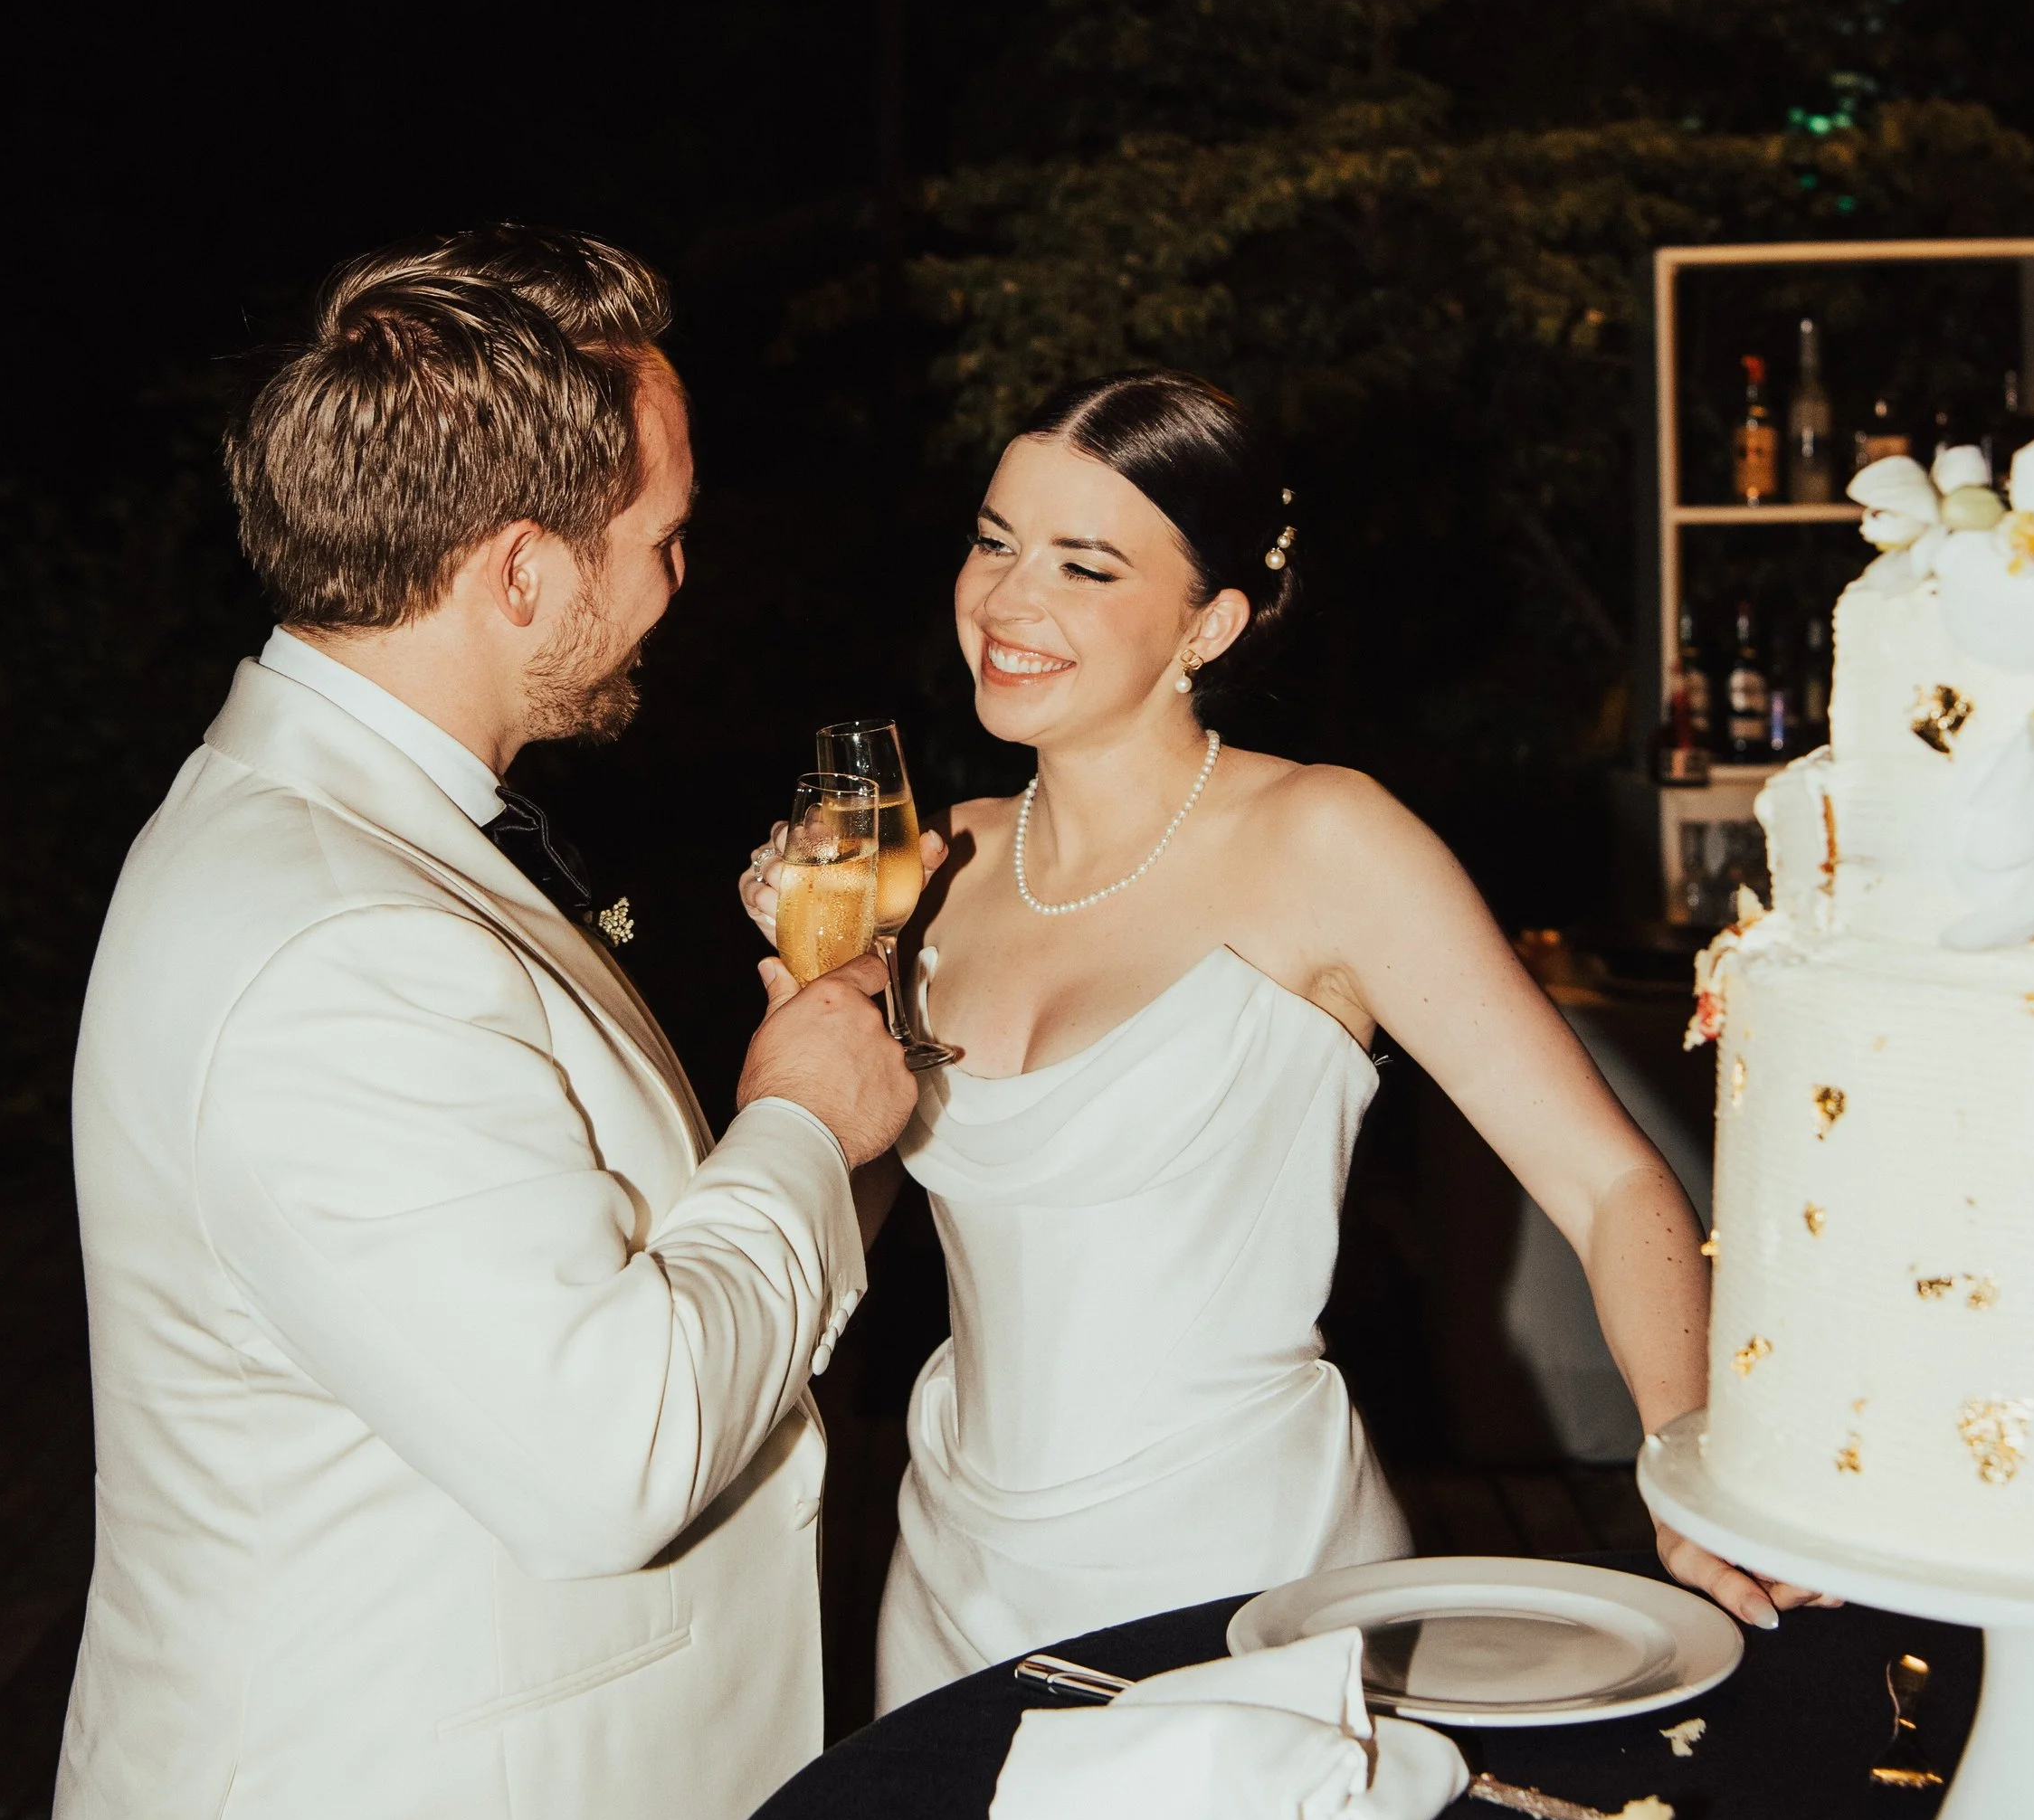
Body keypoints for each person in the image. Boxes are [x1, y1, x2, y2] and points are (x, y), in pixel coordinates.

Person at [33, 227, 913, 1820]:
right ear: (519, 570)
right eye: (658, 539)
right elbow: (605, 1452)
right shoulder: (338, 935)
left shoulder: (345, 820)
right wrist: (794, 1117)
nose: (678, 581)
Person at [742, 369, 1826, 1710]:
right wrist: (813, 1006)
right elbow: (849, 1221)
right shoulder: (930, 863)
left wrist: (1688, 1457)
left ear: (1210, 622)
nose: (1010, 602)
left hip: (1248, 1577)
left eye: (1085, 567)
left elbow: (1609, 1182)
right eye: (995, 540)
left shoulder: (1326, 840)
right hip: (956, 1573)